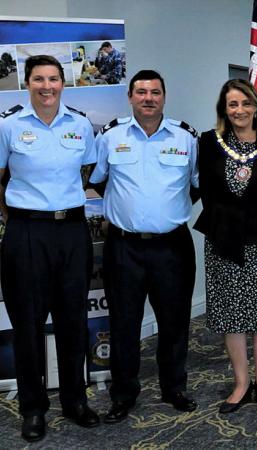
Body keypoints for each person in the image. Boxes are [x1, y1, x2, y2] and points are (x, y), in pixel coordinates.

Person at [89, 70, 199, 423]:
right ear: (130, 97)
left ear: (164, 97)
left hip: (172, 246)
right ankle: (123, 394)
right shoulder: (110, 136)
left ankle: (174, 388)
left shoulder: (186, 137)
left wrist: (166, 212)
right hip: (125, 248)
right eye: (141, 92)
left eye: (155, 92)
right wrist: (129, 212)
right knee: (124, 323)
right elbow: (98, 181)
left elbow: (197, 185)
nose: (148, 98)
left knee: (174, 321)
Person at [0, 54, 99, 442]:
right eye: (39, 79)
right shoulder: (8, 125)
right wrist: (12, 218)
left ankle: (75, 401)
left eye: (54, 79)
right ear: (27, 83)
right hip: (26, 233)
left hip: (72, 231)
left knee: (74, 320)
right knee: (27, 324)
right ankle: (33, 408)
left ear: (63, 83)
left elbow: (88, 173)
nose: (47, 86)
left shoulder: (80, 125)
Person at [194, 79, 257, 413]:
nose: (239, 110)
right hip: (224, 241)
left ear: (256, 107)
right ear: (224, 109)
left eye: (245, 103)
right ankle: (241, 384)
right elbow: (205, 190)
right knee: (232, 315)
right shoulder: (208, 142)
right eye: (232, 104)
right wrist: (229, 221)